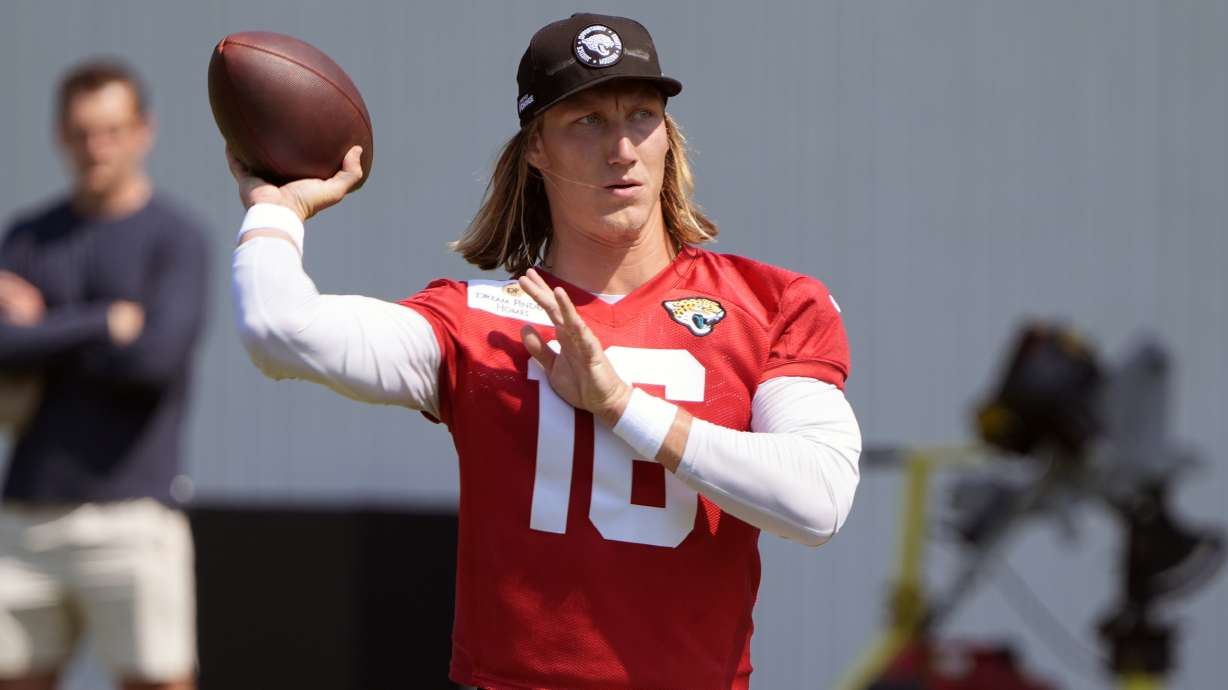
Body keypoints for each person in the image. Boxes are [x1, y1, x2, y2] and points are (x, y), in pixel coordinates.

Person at [229, 13, 860, 689]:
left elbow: (816, 502)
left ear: (668, 137)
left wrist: (620, 405)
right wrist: (276, 210)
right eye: (585, 121)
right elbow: (277, 330)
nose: (621, 147)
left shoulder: (772, 302)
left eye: (641, 116)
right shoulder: (475, 324)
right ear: (536, 149)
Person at [0, 60, 207, 690]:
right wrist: (102, 323)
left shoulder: (176, 239)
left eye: (113, 130)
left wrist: (41, 331)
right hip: (26, 516)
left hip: (133, 515)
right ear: (61, 135)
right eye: (83, 132)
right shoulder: (29, 236)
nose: (98, 147)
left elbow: (154, 361)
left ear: (144, 130)